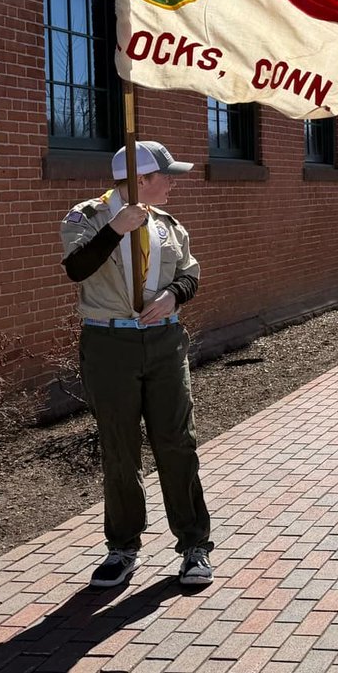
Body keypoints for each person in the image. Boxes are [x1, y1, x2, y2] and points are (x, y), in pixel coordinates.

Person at [59, 141, 213, 589]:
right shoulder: (87, 217)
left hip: (164, 342)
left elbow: (190, 273)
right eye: (166, 176)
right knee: (120, 449)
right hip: (109, 344)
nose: (172, 184)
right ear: (140, 179)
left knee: (177, 443)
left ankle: (194, 545)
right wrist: (115, 229)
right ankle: (122, 547)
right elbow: (76, 269)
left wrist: (174, 295)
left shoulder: (168, 225)